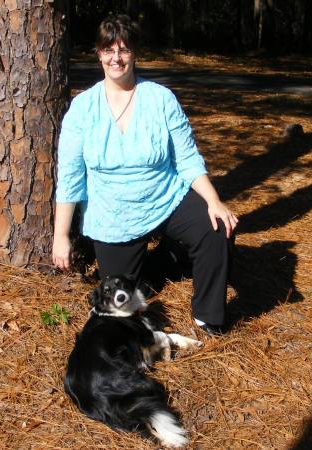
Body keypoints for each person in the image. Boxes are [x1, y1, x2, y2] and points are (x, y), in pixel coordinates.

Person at [52, 14, 238, 335]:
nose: (117, 58)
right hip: (114, 214)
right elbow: (70, 178)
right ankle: (166, 259)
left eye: (124, 50)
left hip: (165, 197)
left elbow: (187, 158)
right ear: (98, 53)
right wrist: (61, 236)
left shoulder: (160, 98)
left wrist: (214, 200)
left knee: (216, 228)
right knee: (124, 299)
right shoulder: (82, 109)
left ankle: (208, 316)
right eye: (109, 50)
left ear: (135, 53)